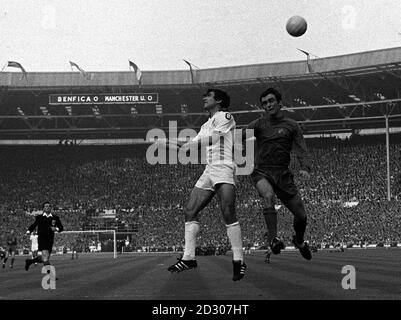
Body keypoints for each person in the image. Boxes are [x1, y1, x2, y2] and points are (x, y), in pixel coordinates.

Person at [166, 88, 246, 281]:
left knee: (228, 211)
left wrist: (191, 145)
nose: (204, 98)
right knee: (190, 210)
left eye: (208, 96)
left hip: (223, 166)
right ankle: (189, 258)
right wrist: (168, 141)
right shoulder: (206, 124)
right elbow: (192, 143)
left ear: (218, 100)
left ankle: (239, 260)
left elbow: (215, 138)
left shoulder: (225, 116)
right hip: (209, 169)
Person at [244, 87, 312, 260]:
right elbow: (238, 135)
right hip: (262, 172)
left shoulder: (292, 126)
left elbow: (301, 150)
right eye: (265, 103)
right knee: (268, 196)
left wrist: (305, 167)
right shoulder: (258, 124)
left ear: (280, 103)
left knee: (302, 217)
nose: (268, 105)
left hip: (282, 175)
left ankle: (299, 241)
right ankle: (273, 239)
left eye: (271, 101)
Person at [25, 201, 64, 271]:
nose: (48, 207)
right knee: (45, 257)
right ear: (43, 208)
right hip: (42, 238)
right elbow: (34, 225)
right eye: (46, 206)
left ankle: (30, 261)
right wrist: (29, 231)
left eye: (49, 206)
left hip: (50, 239)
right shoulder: (39, 217)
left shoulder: (55, 218)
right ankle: (51, 275)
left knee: (44, 258)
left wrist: (56, 229)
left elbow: (61, 228)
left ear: (51, 208)